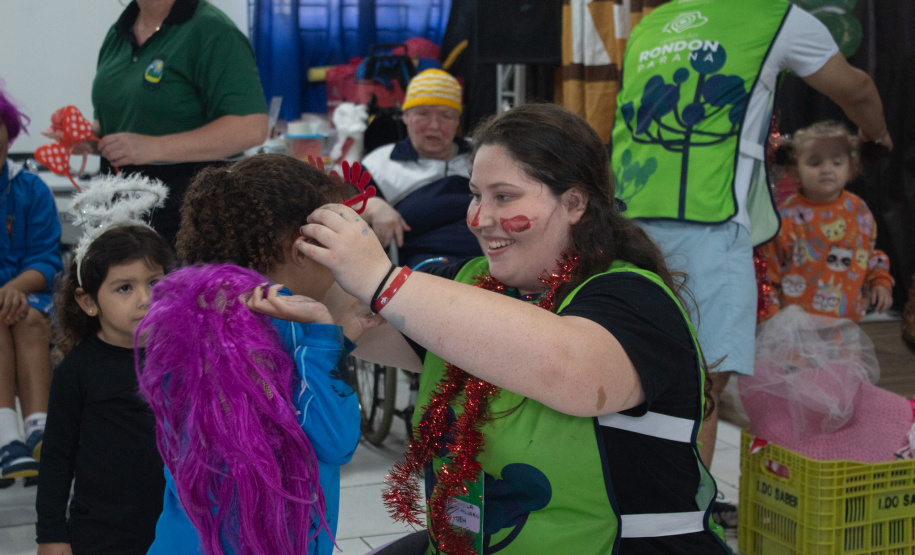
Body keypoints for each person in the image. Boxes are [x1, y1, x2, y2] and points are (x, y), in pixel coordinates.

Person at [302, 103, 731, 553]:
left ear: (574, 202)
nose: (480, 218)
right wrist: (296, 248)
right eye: (475, 195)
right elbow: (356, 323)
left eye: (504, 197)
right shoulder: (469, 283)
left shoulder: (633, 299)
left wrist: (384, 281)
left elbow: (571, 372)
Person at [608, 0, 893, 497]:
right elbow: (858, 88)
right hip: (709, 226)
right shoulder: (770, 14)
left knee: (631, 378)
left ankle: (631, 508)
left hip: (624, 223)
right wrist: (876, 132)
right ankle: (681, 522)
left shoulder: (649, 24)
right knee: (702, 389)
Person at [143, 153, 376, 555]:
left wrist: (342, 340)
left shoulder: (199, 308)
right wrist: (322, 331)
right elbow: (334, 440)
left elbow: (273, 397)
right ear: (300, 249)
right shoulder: (284, 315)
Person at [36, 223, 174, 555]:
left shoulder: (179, 358)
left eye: (155, 282)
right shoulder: (76, 371)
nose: (145, 299)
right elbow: (57, 457)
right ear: (88, 302)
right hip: (102, 535)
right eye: (124, 288)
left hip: (175, 528)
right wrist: (52, 535)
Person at [89, 0, 268, 246]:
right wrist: (88, 137)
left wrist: (153, 148)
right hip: (120, 210)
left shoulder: (213, 31)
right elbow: (126, 117)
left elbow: (251, 127)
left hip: (188, 214)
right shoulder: (119, 31)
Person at [759, 121, 893, 322]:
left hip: (845, 325)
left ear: (851, 167)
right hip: (795, 329)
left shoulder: (859, 211)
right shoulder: (786, 216)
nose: (827, 169)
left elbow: (869, 254)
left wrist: (881, 283)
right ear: (795, 170)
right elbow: (769, 271)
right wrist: (771, 318)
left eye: (837, 162)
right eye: (815, 163)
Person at [0, 82, 62, 480]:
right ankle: (6, 437)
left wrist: (14, 290)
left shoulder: (30, 188)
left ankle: (39, 430)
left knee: (29, 319)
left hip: (27, 301)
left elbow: (46, 260)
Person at [360, 68, 482, 267]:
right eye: (423, 114)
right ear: (405, 116)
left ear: (457, 121)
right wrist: (372, 206)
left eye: (445, 115)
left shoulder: (482, 153)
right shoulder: (379, 164)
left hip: (492, 256)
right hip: (429, 267)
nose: (434, 125)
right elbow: (344, 210)